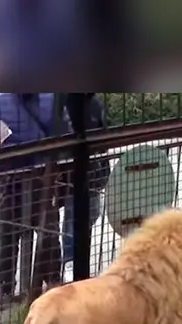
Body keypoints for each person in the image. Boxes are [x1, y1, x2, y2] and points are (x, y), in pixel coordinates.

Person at [0, 92, 71, 305]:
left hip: (41, 179)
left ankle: (50, 283)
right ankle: (7, 289)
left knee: (46, 231)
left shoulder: (51, 100)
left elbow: (65, 137)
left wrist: (55, 167)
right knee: (10, 233)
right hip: (11, 181)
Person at [61, 92, 110, 281]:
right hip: (73, 171)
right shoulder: (66, 101)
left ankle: (81, 261)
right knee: (73, 219)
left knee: (90, 215)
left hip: (94, 171)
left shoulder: (96, 103)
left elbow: (103, 136)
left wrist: (103, 169)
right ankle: (70, 262)